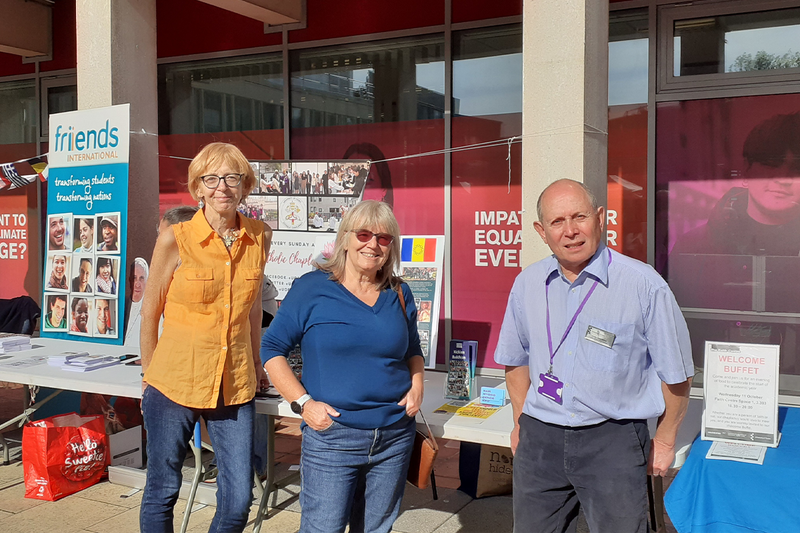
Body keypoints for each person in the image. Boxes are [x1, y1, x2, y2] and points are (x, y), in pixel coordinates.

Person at [494, 179, 694, 533]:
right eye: (557, 221)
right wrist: (520, 419)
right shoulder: (527, 283)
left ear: (600, 218)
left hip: (612, 442)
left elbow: (677, 374)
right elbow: (516, 357)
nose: (570, 231)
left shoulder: (643, 284)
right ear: (541, 231)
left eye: (579, 217)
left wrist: (664, 441)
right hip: (540, 440)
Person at [260, 200, 423, 533]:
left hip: (394, 435)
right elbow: (272, 349)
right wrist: (303, 404)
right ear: (345, 238)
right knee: (323, 528)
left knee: (377, 529)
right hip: (333, 435)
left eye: (383, 238)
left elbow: (412, 350)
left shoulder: (399, 292)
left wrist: (417, 384)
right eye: (363, 234)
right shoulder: (312, 288)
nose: (373, 244)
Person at [140, 142, 271, 533]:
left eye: (232, 178)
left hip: (234, 382)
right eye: (210, 179)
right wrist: (148, 374)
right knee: (163, 489)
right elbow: (150, 311)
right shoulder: (175, 238)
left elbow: (252, 309)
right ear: (197, 187)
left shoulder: (260, 236)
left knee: (239, 498)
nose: (221, 188)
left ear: (245, 185)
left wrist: (257, 362)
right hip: (174, 380)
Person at [671, 112, 800, 257]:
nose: (783, 179)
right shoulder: (691, 247)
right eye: (771, 164)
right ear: (746, 168)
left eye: (797, 168)